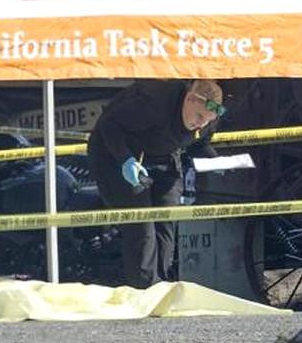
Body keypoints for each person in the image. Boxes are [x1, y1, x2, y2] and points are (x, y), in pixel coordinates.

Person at [86, 79, 226, 288]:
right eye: (199, 116)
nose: (201, 124)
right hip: (115, 152)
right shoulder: (155, 102)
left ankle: (160, 284)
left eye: (208, 120)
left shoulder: (208, 120)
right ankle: (145, 287)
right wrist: (126, 160)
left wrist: (216, 161)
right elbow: (109, 125)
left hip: (163, 154)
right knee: (142, 226)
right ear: (189, 99)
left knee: (166, 220)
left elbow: (199, 144)